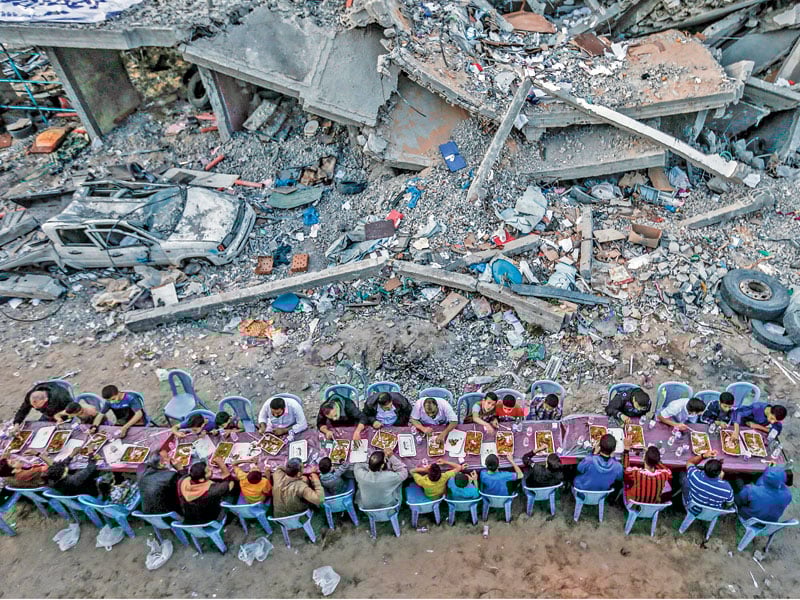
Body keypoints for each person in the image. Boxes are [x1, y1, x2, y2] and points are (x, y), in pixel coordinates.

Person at [177, 456, 235, 524]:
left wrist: (180, 468)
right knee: (233, 493)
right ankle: (230, 518)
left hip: (191, 517)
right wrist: (222, 465)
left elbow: (183, 475)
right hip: (210, 519)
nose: (211, 470)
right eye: (208, 471)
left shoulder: (182, 481)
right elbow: (230, 484)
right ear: (201, 480)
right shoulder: (210, 490)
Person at [622, 437, 672, 504]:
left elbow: (626, 469)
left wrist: (626, 448)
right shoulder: (664, 475)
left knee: (626, 482)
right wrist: (654, 458)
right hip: (653, 504)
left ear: (644, 458)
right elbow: (668, 472)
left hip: (634, 503)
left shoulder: (636, 473)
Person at [172, 411, 238, 438]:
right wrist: (177, 433)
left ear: (203, 425)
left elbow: (219, 434)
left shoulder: (213, 423)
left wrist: (215, 433)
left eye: (194, 430)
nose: (192, 431)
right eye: (191, 429)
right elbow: (174, 427)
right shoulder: (190, 422)